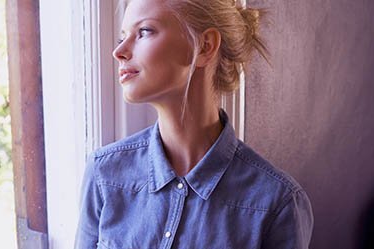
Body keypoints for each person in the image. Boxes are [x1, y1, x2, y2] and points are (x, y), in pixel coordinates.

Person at [74, 0, 314, 248]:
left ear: (204, 47)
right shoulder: (104, 174)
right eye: (122, 37)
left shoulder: (277, 204)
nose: (119, 51)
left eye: (144, 31)